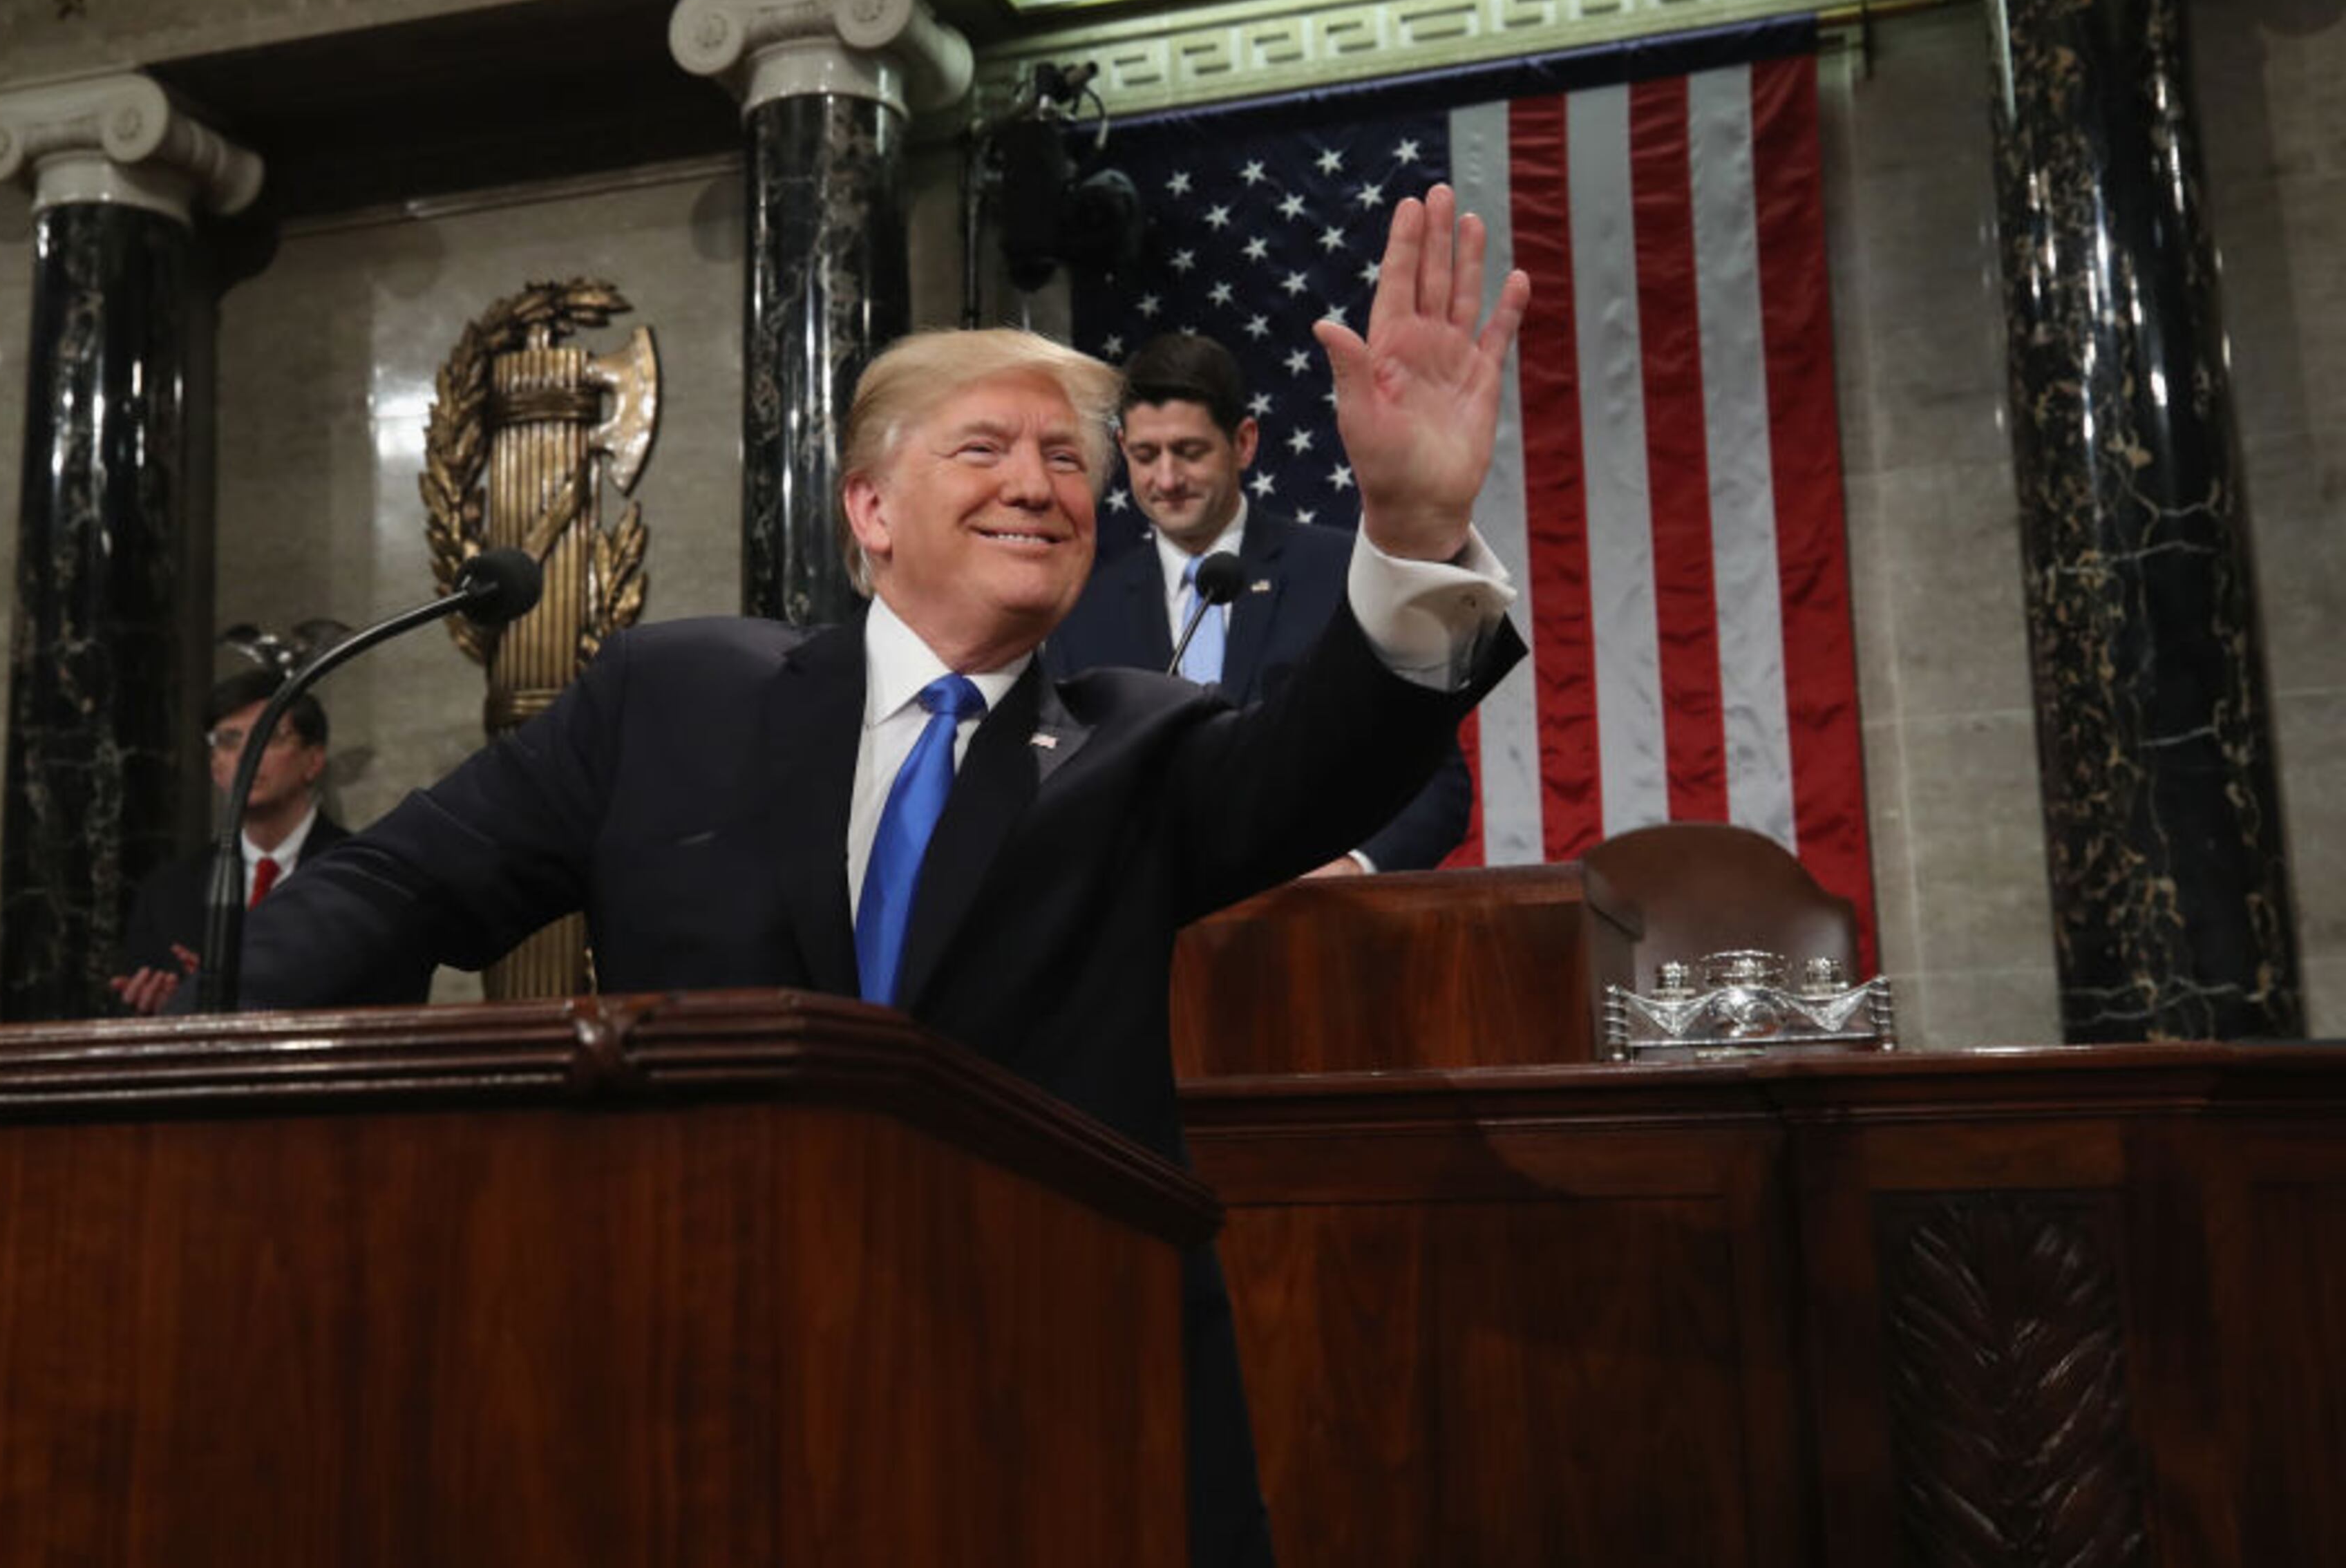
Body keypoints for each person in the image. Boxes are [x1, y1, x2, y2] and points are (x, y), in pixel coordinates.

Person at [225, 185, 1532, 1567]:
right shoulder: (673, 699)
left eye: (1066, 460)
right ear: (870, 506)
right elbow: (397, 889)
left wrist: (1411, 526)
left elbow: (1337, 755)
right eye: (986, 447)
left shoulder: (1138, 743)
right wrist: (188, 1050)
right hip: (711, 1394)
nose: (1040, 482)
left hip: (1062, 1403)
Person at [1044, 328, 1479, 874]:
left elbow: (1435, 781)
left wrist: (1354, 865)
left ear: (1244, 443)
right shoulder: (1082, 610)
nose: (1167, 478)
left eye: (1190, 451)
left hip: (1323, 925)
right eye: (1144, 455)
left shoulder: (1344, 575)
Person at [111, 666, 346, 1014]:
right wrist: (171, 1007)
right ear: (215, 767)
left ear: (313, 760)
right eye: (229, 741)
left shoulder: (357, 873)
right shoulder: (166, 893)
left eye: (269, 736)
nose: (246, 754)